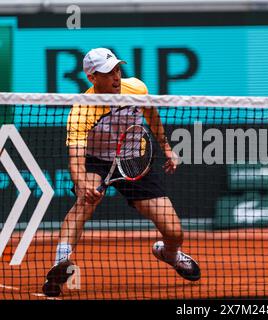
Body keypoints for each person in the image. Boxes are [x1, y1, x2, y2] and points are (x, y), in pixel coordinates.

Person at [42, 48, 200, 297]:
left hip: (135, 160)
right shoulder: (82, 110)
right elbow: (76, 157)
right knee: (84, 202)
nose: (116, 77)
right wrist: (82, 182)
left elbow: (152, 115)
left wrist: (167, 148)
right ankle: (60, 263)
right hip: (97, 162)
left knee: (174, 232)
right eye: (108, 72)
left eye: (117, 69)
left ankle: (169, 253)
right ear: (92, 78)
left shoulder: (136, 88)